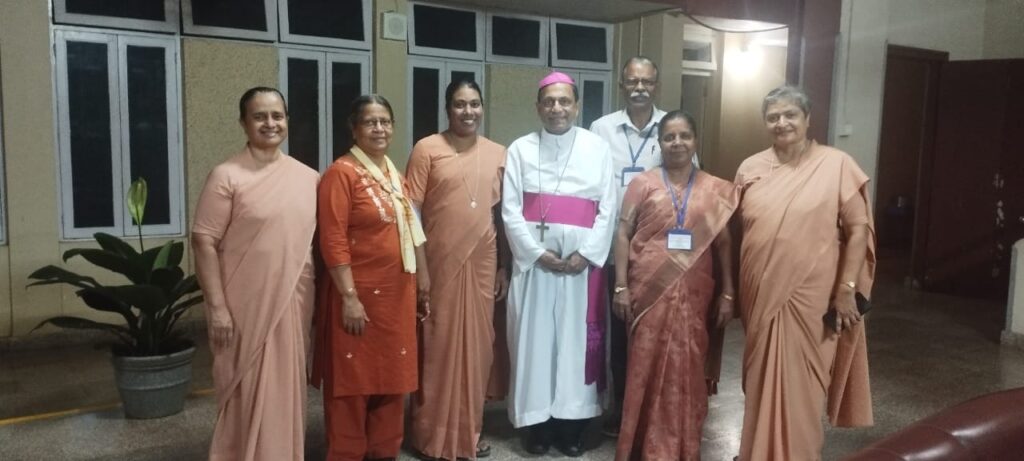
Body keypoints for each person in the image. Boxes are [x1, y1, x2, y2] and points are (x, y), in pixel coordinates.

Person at [735, 86, 875, 461]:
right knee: (760, 379)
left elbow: (858, 230)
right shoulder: (749, 168)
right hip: (760, 293)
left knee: (805, 386)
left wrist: (846, 289)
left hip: (813, 298)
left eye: (790, 115)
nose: (781, 123)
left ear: (807, 119)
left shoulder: (837, 164)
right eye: (773, 117)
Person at [192, 87, 319, 461]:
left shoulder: (309, 177)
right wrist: (217, 307)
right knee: (244, 385)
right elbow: (203, 241)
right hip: (243, 306)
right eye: (259, 116)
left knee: (286, 385)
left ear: (287, 121)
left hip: (293, 302)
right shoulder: (226, 176)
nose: (270, 123)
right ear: (244, 123)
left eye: (277, 115)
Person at [611, 110, 738, 461]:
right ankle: (642, 445)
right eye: (669, 137)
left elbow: (724, 243)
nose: (677, 143)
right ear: (659, 143)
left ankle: (682, 445)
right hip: (648, 288)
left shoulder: (715, 188)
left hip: (696, 291)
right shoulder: (643, 183)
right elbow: (623, 233)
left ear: (695, 141)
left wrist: (728, 291)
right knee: (645, 364)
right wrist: (620, 286)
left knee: (689, 365)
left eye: (684, 136)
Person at [502, 71, 616, 457]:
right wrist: (537, 253)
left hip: (581, 271)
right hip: (536, 268)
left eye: (564, 101)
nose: (557, 108)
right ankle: (537, 425)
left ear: (577, 106)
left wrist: (586, 254)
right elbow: (510, 210)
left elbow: (608, 207)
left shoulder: (596, 148)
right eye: (549, 102)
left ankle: (572, 426)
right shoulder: (520, 149)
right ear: (538, 107)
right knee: (534, 343)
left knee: (573, 345)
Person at [311, 94, 430, 461]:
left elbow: (413, 231)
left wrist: (423, 281)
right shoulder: (341, 174)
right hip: (357, 298)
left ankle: (383, 452)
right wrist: (348, 297)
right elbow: (332, 239)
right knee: (353, 383)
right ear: (354, 129)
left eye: (385, 122)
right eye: (370, 122)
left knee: (392, 380)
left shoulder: (394, 175)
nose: (379, 129)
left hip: (396, 297)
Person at [589, 55, 699, 437]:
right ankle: (622, 411)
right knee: (618, 336)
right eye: (633, 82)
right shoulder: (601, 129)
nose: (640, 88)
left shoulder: (673, 127)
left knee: (663, 335)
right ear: (622, 85)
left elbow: (692, 187)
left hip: (662, 253)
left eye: (647, 82)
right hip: (613, 250)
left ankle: (658, 411)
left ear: (656, 85)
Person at [406, 80, 508, 461]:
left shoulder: (499, 153)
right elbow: (411, 212)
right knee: (437, 344)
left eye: (475, 104)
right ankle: (430, 436)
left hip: (483, 262)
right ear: (447, 109)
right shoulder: (427, 149)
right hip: (439, 260)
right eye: (460, 104)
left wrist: (503, 267)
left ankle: (469, 432)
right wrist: (421, 269)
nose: (469, 112)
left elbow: (503, 216)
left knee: (478, 349)